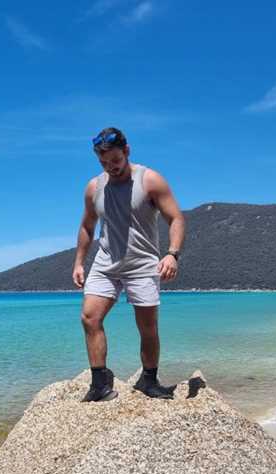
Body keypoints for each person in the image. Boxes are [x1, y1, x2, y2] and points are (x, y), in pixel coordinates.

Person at [72, 127, 186, 402]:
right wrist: (78, 263)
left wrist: (172, 254)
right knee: (90, 317)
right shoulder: (94, 188)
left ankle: (149, 380)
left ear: (127, 151)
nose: (110, 167)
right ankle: (100, 383)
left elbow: (177, 219)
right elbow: (88, 227)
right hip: (105, 263)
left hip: (142, 264)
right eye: (103, 163)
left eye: (115, 161)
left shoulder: (150, 180)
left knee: (147, 326)